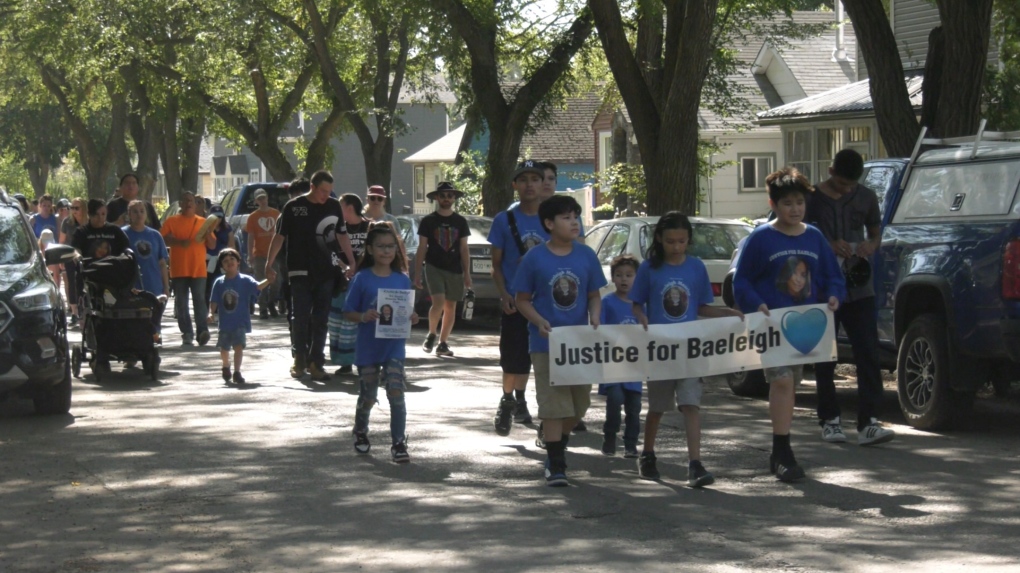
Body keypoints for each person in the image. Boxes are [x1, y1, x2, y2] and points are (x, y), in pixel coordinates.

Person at [733, 167, 845, 482]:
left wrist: (835, 297)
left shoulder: (815, 237)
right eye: (787, 203)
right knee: (781, 381)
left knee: (791, 385)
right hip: (772, 326)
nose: (794, 209)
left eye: (799, 202)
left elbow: (832, 277)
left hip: (804, 327)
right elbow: (742, 281)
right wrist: (756, 304)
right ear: (773, 203)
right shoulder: (760, 238)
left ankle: (779, 447)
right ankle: (783, 451)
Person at [630, 212, 744, 487]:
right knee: (657, 407)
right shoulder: (649, 268)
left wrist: (726, 313)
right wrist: (641, 317)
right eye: (670, 241)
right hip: (660, 349)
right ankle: (647, 454)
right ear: (660, 239)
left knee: (691, 405)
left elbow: (701, 306)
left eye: (682, 241)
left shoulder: (695, 267)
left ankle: (695, 463)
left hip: (690, 349)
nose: (676, 246)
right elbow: (636, 302)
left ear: (688, 241)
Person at [513, 194, 606, 486]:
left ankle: (555, 439)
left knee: (578, 406)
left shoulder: (586, 255)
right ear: (549, 224)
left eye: (575, 217)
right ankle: (555, 462)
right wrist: (538, 321)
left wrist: (595, 317)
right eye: (566, 218)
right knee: (554, 405)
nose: (574, 222)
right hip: (546, 344)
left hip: (579, 344)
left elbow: (594, 295)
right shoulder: (535, 257)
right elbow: (522, 299)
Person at [807, 148, 896, 446]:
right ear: (831, 172)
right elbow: (798, 233)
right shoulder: (809, 197)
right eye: (843, 184)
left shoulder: (866, 196)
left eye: (852, 185)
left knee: (868, 352)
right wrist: (828, 244)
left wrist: (871, 245)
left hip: (859, 286)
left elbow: (875, 231)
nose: (847, 190)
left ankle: (869, 421)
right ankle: (830, 419)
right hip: (822, 287)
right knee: (825, 355)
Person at [266, 170, 356, 381]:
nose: (327, 195)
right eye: (323, 191)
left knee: (321, 318)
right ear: (313, 187)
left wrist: (350, 260)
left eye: (330, 191)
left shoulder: (334, 206)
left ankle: (317, 361)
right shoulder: (293, 207)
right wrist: (269, 264)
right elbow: (279, 236)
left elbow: (341, 234)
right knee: (300, 315)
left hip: (326, 269)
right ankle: (299, 357)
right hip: (299, 269)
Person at [342, 223, 420, 463]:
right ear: (370, 249)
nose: (386, 251)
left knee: (396, 392)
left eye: (391, 247)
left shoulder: (402, 280)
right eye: (381, 247)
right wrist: (364, 316)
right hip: (368, 348)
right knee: (368, 395)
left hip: (394, 347)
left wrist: (413, 317)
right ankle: (361, 431)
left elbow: (408, 312)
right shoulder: (362, 279)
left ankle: (398, 442)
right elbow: (347, 311)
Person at [488, 160, 551, 434]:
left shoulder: (553, 218)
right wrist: (504, 295)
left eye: (535, 179)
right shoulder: (505, 219)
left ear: (543, 184)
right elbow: (497, 264)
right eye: (523, 180)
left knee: (542, 358)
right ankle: (507, 399)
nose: (529, 185)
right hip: (516, 301)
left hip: (547, 303)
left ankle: (540, 409)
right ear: (515, 185)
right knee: (513, 358)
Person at [414, 182, 471, 357]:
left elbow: (463, 249)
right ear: (436, 198)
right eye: (443, 195)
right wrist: (417, 273)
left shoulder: (460, 221)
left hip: (454, 269)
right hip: (433, 266)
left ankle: (443, 342)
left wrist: (467, 273)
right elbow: (422, 247)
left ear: (454, 198)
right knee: (438, 302)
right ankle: (431, 334)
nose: (446, 198)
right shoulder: (428, 221)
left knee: (451, 306)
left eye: (450, 195)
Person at [598, 254, 643, 459]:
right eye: (619, 275)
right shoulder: (608, 302)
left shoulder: (642, 304)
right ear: (613, 278)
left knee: (634, 408)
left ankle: (631, 444)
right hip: (614, 365)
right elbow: (600, 331)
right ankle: (609, 437)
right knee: (614, 401)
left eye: (629, 275)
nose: (624, 279)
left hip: (635, 367)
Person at [161, 191, 216, 346]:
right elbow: (161, 238)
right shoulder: (172, 221)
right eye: (185, 200)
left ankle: (202, 332)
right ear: (180, 204)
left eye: (191, 200)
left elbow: (212, 245)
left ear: (196, 203)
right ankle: (187, 333)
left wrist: (209, 234)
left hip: (198, 269)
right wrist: (178, 242)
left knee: (199, 300)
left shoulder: (202, 222)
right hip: (179, 269)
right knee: (182, 303)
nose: (189, 203)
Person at [208, 248, 269, 385]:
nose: (229, 263)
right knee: (224, 349)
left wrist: (268, 280)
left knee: (238, 347)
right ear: (222, 265)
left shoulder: (245, 280)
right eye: (225, 261)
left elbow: (258, 287)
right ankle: (225, 365)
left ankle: (237, 372)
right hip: (224, 324)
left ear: (238, 262)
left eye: (232, 260)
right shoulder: (219, 282)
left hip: (240, 322)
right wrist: (211, 313)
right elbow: (214, 301)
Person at [328, 193, 370, 374]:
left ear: (350, 207)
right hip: (341, 283)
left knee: (362, 323)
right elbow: (330, 252)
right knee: (339, 322)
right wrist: (345, 267)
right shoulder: (336, 229)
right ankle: (344, 362)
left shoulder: (370, 227)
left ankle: (364, 360)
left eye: (340, 206)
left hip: (365, 283)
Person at [122, 200, 170, 345]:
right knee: (133, 319)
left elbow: (162, 263)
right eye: (135, 211)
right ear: (129, 214)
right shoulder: (123, 234)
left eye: (142, 211)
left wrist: (166, 287)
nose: (139, 214)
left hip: (153, 284)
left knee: (154, 318)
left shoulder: (155, 235)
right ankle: (133, 350)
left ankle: (152, 348)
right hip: (133, 286)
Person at [246, 189, 281, 319]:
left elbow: (281, 233)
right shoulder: (253, 217)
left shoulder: (276, 214)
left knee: (277, 281)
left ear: (267, 198)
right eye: (259, 199)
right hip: (260, 254)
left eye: (264, 198)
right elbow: (250, 236)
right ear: (256, 201)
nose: (262, 201)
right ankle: (263, 308)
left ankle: (272, 303)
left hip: (274, 254)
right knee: (262, 282)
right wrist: (250, 254)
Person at [364, 185, 408, 271]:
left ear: (384, 201)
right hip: (366, 263)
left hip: (387, 263)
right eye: (373, 198)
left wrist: (404, 266)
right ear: (367, 200)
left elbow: (399, 244)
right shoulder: (361, 219)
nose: (376, 201)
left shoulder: (391, 220)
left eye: (379, 198)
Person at [61, 197, 88, 326]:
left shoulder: (88, 222)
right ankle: (74, 311)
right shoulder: (67, 222)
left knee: (83, 282)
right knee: (72, 282)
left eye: (76, 208)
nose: (74, 211)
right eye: (72, 208)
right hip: (69, 256)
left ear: (83, 209)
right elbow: (62, 241)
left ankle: (85, 308)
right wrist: (60, 258)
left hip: (85, 256)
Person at [204, 205, 236, 304]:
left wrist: (231, 259)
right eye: (215, 217)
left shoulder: (227, 228)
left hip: (222, 260)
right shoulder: (206, 228)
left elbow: (232, 245)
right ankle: (209, 305)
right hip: (208, 260)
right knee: (208, 285)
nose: (218, 219)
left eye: (220, 217)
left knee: (223, 283)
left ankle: (221, 304)